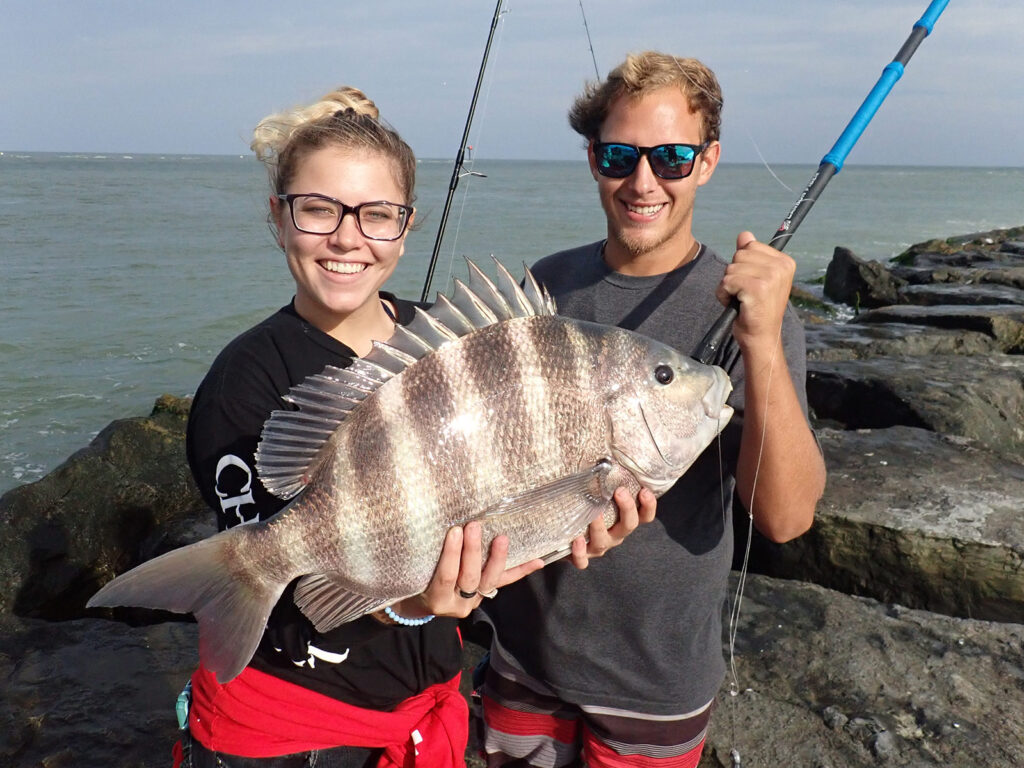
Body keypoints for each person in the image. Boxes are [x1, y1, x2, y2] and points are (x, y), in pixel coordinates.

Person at [181, 85, 654, 768]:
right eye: (318, 210)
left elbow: (509, 495)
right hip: (290, 729)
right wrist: (409, 605)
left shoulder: (451, 342)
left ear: (406, 227)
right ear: (278, 217)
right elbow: (282, 612)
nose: (348, 238)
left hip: (426, 712)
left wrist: (575, 520)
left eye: (377, 215)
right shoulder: (242, 386)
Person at [478, 51, 827, 767]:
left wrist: (761, 339)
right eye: (619, 156)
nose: (643, 182)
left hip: (656, 680)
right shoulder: (546, 287)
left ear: (707, 161)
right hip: (521, 656)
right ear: (593, 159)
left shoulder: (751, 311)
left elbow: (786, 518)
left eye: (671, 158)